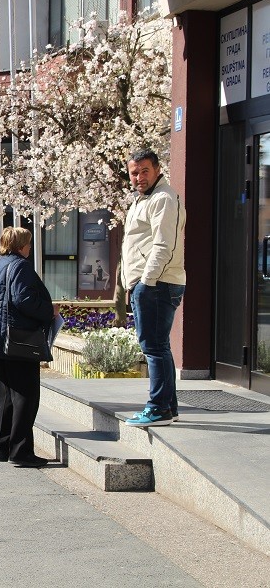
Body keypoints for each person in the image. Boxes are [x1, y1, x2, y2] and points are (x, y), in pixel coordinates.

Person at [0, 227, 58, 468]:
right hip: (17, 340)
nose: (30, 247)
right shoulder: (21, 266)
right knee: (26, 396)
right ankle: (21, 451)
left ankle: (2, 446)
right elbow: (23, 299)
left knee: (5, 396)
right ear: (21, 246)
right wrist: (49, 311)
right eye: (28, 243)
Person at [121, 148, 186, 427]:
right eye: (134, 173)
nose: (139, 177)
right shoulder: (142, 200)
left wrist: (146, 282)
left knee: (154, 347)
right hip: (150, 283)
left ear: (158, 169)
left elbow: (163, 245)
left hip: (157, 283)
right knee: (159, 346)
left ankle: (158, 408)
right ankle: (168, 407)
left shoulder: (163, 198)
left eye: (145, 171)